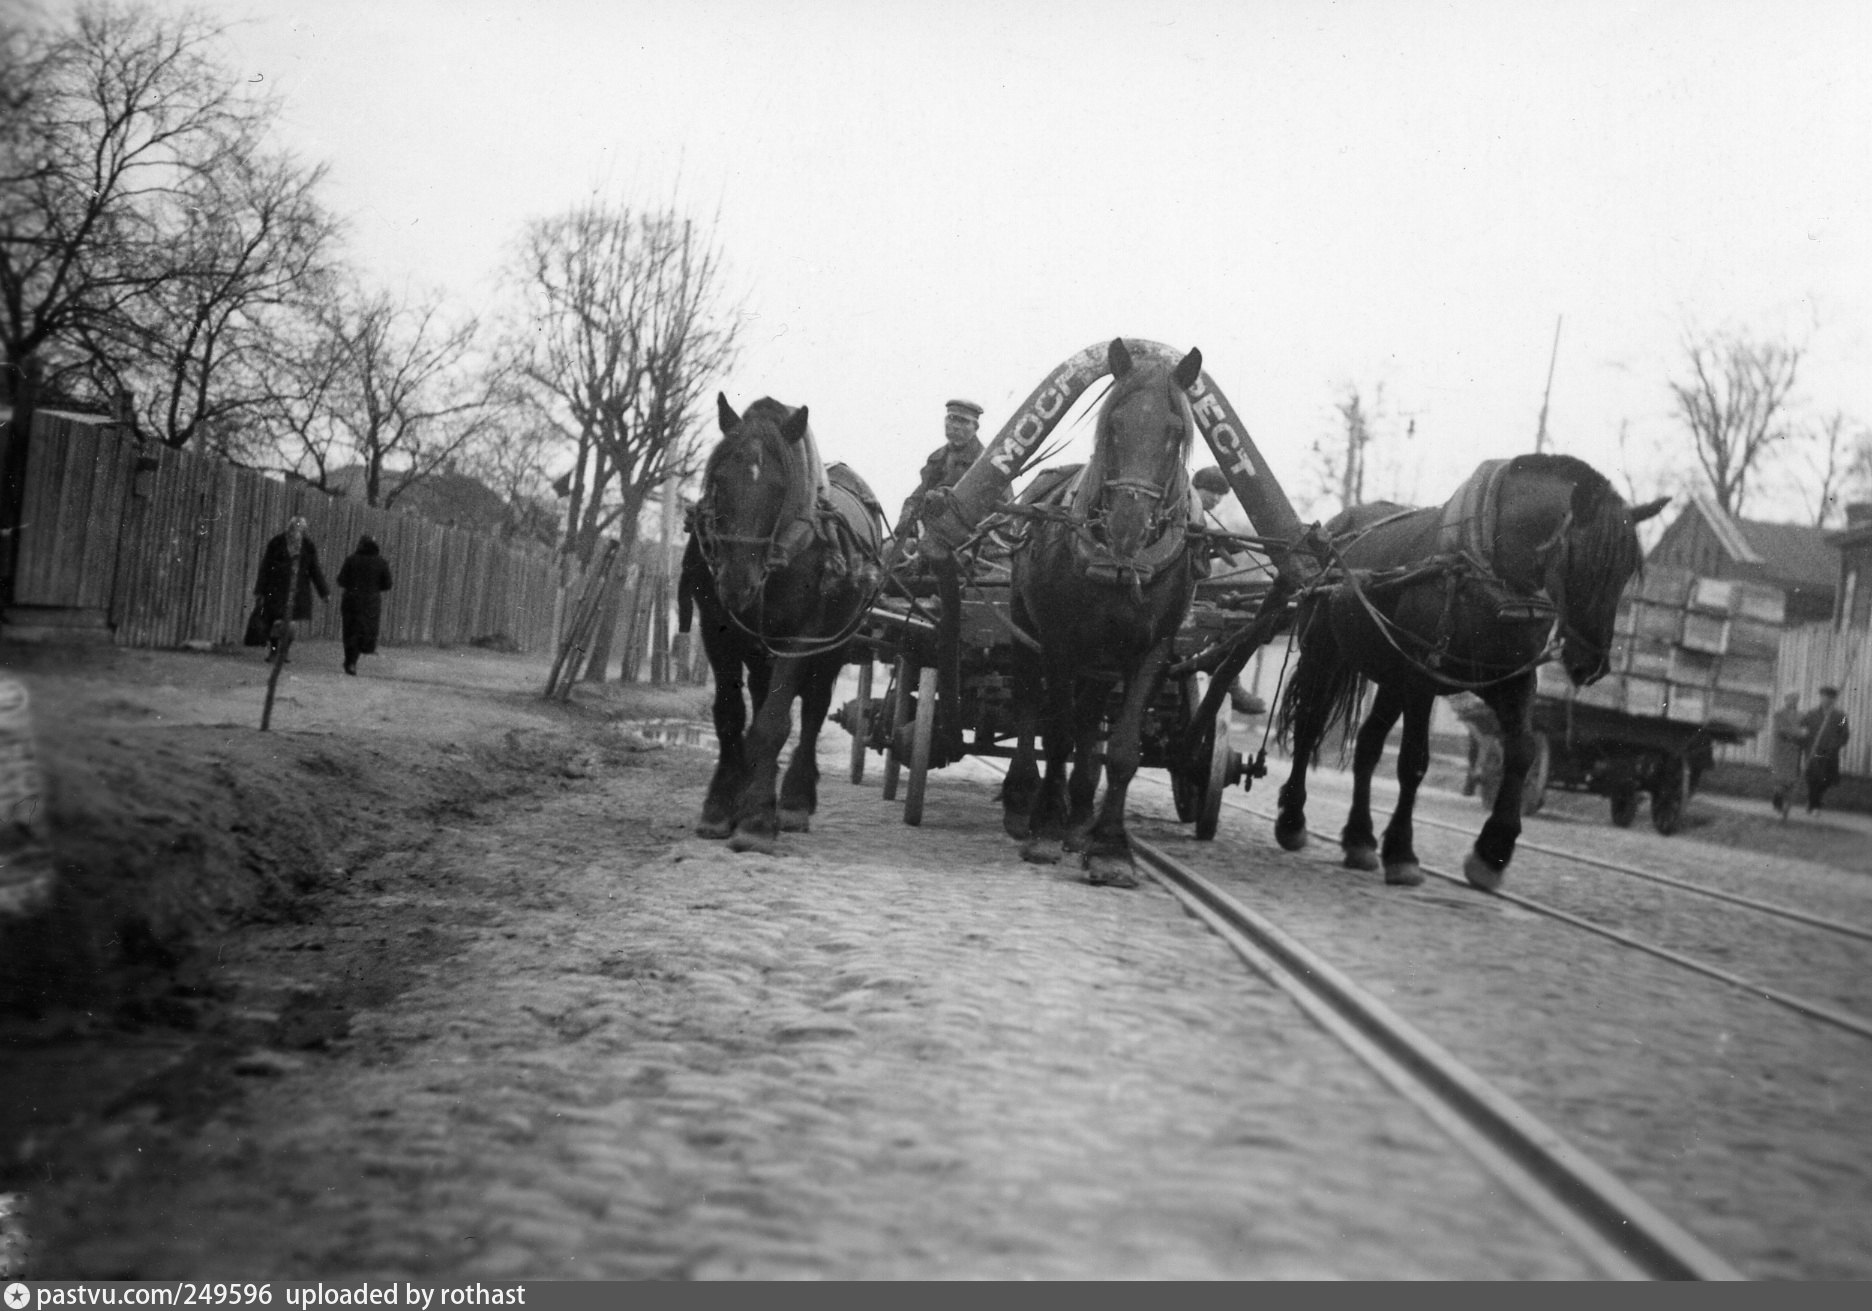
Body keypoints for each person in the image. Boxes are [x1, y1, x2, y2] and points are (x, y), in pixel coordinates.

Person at [1190, 466, 1267, 717]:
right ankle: (1230, 685)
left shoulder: (1197, 512)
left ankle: (1228, 682)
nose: (1216, 499)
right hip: (1176, 594)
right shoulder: (1185, 506)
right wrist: (1209, 539)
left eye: (1220, 495)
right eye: (1211, 492)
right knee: (1222, 625)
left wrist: (1219, 545)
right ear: (1197, 487)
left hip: (1186, 590)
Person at [895, 399, 985, 541]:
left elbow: (997, 509)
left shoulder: (986, 462)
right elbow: (917, 497)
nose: (955, 426)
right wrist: (905, 523)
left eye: (963, 421)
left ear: (975, 427)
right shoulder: (938, 458)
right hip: (931, 536)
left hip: (971, 540)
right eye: (951, 418)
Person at [252, 515, 329, 660]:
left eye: (301, 528)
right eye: (295, 527)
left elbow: (314, 569)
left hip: (297, 591)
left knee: (291, 624)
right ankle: (274, 650)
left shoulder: (308, 546)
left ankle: (284, 651)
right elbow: (266, 566)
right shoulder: (276, 543)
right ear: (290, 528)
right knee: (276, 623)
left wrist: (324, 592)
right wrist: (260, 590)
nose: (297, 531)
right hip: (276, 589)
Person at [336, 534, 394, 675]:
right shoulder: (381, 562)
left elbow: (341, 580)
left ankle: (350, 661)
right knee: (365, 631)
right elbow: (387, 584)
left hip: (351, 599)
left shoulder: (351, 560)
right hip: (371, 602)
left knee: (350, 631)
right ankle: (353, 661)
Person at [1801, 685, 1851, 813]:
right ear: (1820, 698)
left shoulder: (1840, 717)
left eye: (1829, 698)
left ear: (1834, 700)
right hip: (1813, 751)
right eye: (1823, 697)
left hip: (1830, 753)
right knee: (1813, 778)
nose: (1826, 700)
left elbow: (1844, 734)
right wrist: (1805, 741)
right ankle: (1814, 805)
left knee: (1827, 780)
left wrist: (1835, 745)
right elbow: (1802, 728)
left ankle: (1813, 801)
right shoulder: (1811, 714)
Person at [1769, 691, 1804, 818]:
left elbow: (1805, 731)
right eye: (1791, 698)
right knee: (1780, 778)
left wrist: (1800, 734)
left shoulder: (1801, 716)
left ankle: (1784, 806)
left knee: (1790, 780)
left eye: (1796, 699)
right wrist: (1798, 733)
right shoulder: (1779, 714)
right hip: (1781, 750)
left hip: (1794, 752)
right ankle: (1777, 803)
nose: (1794, 701)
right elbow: (1781, 730)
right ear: (1786, 699)